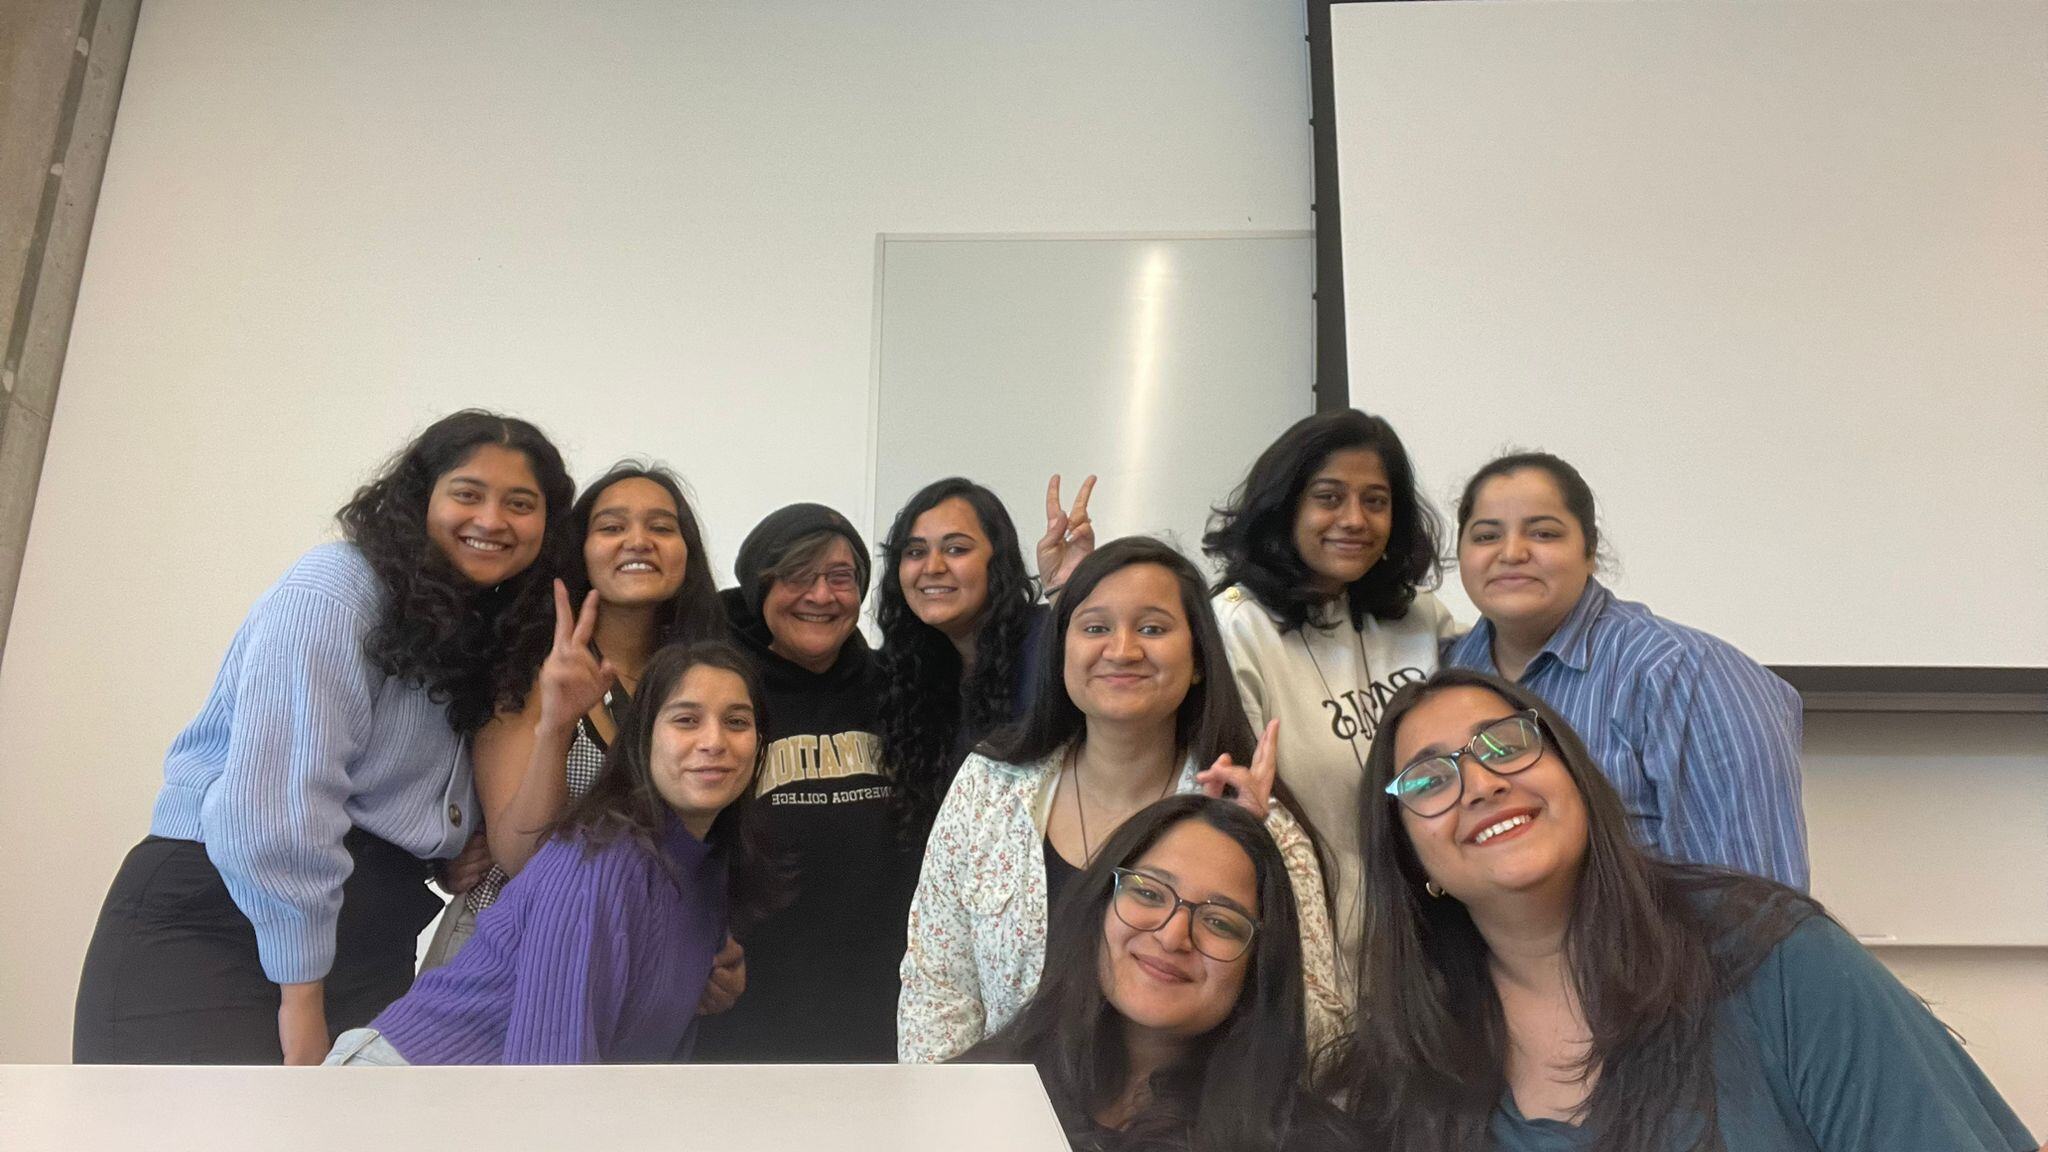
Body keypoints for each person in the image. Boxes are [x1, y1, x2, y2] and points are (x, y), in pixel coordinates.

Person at [1323, 667, 2035, 1152]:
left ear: (1574, 773)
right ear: (1411, 862)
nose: (1478, 782)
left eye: (1506, 743)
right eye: (1427, 779)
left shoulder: (1777, 961)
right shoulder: (1403, 1067)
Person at [74, 410, 573, 1064]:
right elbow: (280, 805)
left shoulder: (484, 629)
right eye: (467, 493)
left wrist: (441, 846)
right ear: (419, 497)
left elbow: (406, 783)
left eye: (520, 503)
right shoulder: (338, 586)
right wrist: (302, 997)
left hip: (365, 938)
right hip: (224, 920)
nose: (491, 519)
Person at [899, 537, 1344, 1065]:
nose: (1122, 650)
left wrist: (1251, 854)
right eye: (1095, 627)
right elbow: (937, 986)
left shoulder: (1252, 818)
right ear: (1062, 650)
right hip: (1000, 1121)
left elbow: (1314, 1029)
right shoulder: (990, 785)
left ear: (1199, 659)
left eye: (1153, 628)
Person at [325, 641, 780, 1064]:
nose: (714, 742)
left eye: (737, 722)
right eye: (686, 720)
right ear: (644, 740)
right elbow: (548, 1082)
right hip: (403, 1095)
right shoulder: (598, 860)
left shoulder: (705, 858)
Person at [1441, 451, 1808, 887]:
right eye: (1486, 536)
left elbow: (1755, 904)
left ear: (1590, 551)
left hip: (1650, 956)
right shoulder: (1446, 676)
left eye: (1543, 533)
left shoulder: (1684, 674)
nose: (1512, 553)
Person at [424, 462, 730, 974]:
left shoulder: (707, 681)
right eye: (612, 527)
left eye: (661, 527)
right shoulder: (528, 670)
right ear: (580, 552)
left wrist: (712, 943)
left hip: (635, 957)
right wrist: (557, 725)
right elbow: (520, 857)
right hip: (505, 957)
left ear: (687, 552)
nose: (638, 541)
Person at [958, 794, 1358, 1152]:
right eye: (1149, 893)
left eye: (1220, 922)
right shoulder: (974, 1091)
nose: (1172, 936)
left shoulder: (1305, 1141)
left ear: (1258, 964)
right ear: (1099, 907)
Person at [1203, 408, 1457, 954]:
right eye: (1328, 497)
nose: (1354, 520)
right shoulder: (1234, 628)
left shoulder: (1420, 618)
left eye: (1376, 501)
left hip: (1441, 936)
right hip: (1314, 946)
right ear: (1285, 507)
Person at [691, 503, 913, 1062]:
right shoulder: (716, 694)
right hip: (743, 998)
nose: (821, 596)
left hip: (880, 998)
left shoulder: (898, 689)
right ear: (758, 587)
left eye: (841, 578)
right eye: (796, 577)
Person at [875, 474, 1092, 842]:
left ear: (998, 561)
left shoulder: (1045, 641)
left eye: (956, 549)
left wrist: (1067, 598)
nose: (932, 567)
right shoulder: (914, 669)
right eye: (915, 552)